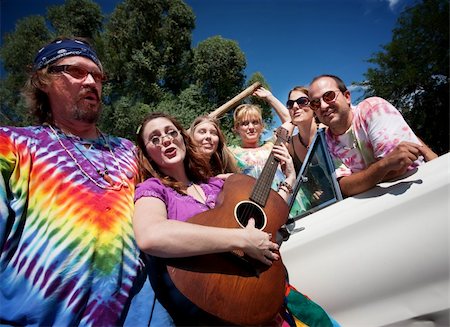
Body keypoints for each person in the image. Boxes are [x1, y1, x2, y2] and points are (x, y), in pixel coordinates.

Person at [0, 37, 154, 326]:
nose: (91, 82)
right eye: (77, 71)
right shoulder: (12, 144)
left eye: (97, 75)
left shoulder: (130, 151)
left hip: (136, 317)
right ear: (43, 80)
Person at [133, 112, 297, 325]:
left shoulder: (216, 184)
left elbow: (269, 214)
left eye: (171, 132)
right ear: (147, 152)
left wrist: (289, 179)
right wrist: (241, 239)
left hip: (264, 300)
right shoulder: (153, 189)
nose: (165, 139)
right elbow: (150, 235)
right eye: (154, 138)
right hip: (213, 312)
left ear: (183, 138)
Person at [308, 74, 438, 197]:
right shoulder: (325, 142)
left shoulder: (373, 109)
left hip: (421, 189)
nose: (323, 106)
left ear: (347, 97)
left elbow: (398, 168)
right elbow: (345, 187)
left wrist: (361, 179)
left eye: (329, 96)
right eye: (315, 103)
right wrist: (383, 165)